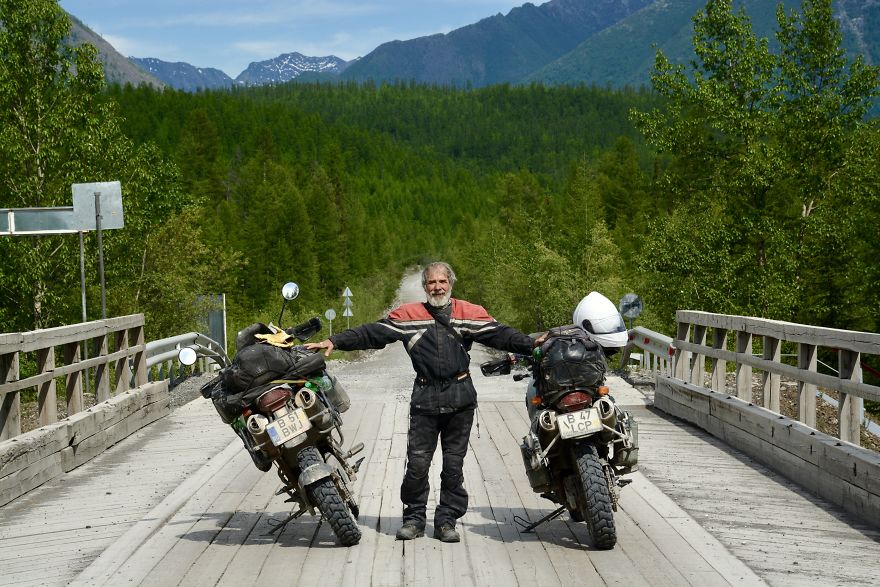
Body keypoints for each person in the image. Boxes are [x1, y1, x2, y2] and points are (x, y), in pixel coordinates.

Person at [306, 262, 539, 543]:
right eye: (431, 282)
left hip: (460, 398)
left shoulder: (469, 312)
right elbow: (372, 332)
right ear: (424, 286)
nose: (437, 287)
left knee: (453, 467)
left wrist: (534, 344)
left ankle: (447, 520)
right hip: (425, 399)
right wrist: (336, 340)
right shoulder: (409, 315)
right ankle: (414, 518)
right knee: (417, 465)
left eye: (442, 281)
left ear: (451, 283)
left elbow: (502, 335)